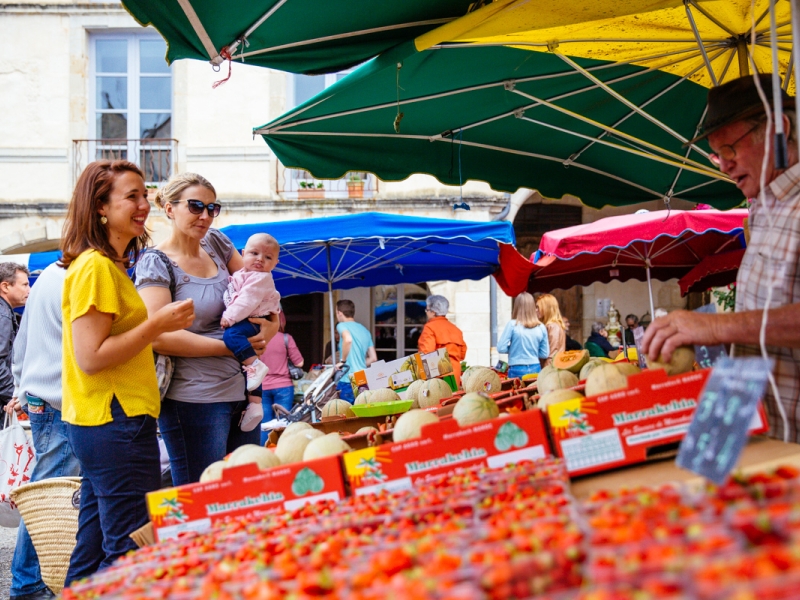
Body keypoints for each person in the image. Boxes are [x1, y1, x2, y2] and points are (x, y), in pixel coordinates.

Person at [643, 73, 800, 442]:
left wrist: (716, 328)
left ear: (778, 129)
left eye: (730, 149)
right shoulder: (764, 206)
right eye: (717, 155)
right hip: (763, 434)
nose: (723, 165)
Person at [59, 160, 195, 585]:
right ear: (100, 207)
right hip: (116, 420)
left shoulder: (104, 265)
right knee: (128, 551)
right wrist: (156, 324)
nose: (144, 205)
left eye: (144, 195)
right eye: (132, 196)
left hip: (105, 420)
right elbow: (92, 357)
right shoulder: (97, 267)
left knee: (94, 545)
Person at [136, 172, 279, 485]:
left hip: (243, 391)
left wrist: (270, 327)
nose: (205, 216)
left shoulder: (216, 242)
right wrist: (230, 346)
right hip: (194, 399)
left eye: (212, 208)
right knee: (202, 494)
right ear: (169, 208)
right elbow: (158, 336)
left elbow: (258, 292)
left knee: (246, 489)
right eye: (196, 206)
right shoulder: (156, 262)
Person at [6, 264, 80, 600]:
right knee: (47, 491)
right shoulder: (72, 274)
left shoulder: (49, 274)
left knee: (46, 487)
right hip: (58, 398)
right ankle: (29, 582)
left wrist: (22, 388)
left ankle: (30, 580)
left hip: (43, 395)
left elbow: (20, 349)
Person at [220, 233, 282, 432]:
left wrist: (229, 317)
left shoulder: (260, 278)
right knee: (250, 368)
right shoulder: (244, 273)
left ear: (275, 263)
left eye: (267, 257)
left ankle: (255, 365)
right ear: (243, 253)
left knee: (231, 336)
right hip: (250, 318)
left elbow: (246, 301)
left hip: (251, 318)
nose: (260, 260)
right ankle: (255, 403)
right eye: (254, 253)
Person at [260, 312, 304, 445]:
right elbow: (300, 363)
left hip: (262, 386)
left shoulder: (258, 338)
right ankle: (282, 453)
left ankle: (264, 455)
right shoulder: (286, 338)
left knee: (264, 426)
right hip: (284, 387)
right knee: (284, 424)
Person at [497, 293, 549, 379]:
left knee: (517, 392)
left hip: (516, 368)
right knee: (535, 392)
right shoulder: (541, 327)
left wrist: (514, 349)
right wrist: (532, 351)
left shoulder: (512, 324)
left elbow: (501, 348)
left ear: (517, 306)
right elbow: (544, 354)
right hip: (535, 368)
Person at [418, 295, 467, 386]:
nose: (426, 312)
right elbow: (462, 354)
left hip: (438, 375)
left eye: (427, 310)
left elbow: (426, 353)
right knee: (451, 399)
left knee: (437, 399)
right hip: (455, 374)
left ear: (433, 312)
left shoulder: (430, 328)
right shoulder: (456, 329)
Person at [334, 299, 376, 402]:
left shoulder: (341, 326)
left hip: (347, 380)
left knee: (346, 414)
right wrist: (359, 364)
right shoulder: (365, 330)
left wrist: (342, 361)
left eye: (336, 312)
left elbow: (348, 339)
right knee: (360, 413)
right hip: (362, 379)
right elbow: (373, 358)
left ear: (339, 313)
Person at [0, 262, 29, 409]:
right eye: (24, 285)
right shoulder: (2, 315)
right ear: (5, 286)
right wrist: (14, 396)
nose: (29, 290)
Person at [535, 293, 566, 367]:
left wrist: (545, 373)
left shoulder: (553, 327)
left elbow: (551, 355)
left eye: (538, 307)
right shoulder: (551, 326)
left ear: (546, 308)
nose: (535, 310)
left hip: (550, 370)